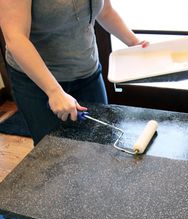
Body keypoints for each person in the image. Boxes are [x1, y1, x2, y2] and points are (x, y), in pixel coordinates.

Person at [0, 0, 148, 145]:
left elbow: (105, 11)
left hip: (88, 72)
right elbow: (16, 37)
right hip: (38, 82)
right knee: (52, 152)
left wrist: (134, 43)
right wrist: (54, 91)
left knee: (100, 142)